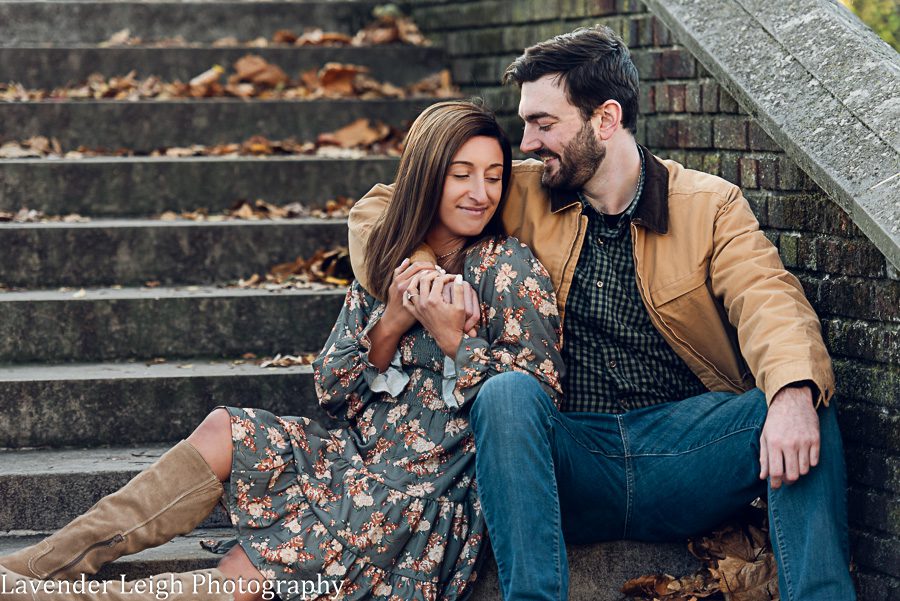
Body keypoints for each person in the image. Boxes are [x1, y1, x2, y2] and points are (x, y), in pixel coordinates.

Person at [347, 26, 855, 601]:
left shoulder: (709, 206)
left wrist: (791, 393)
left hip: (684, 453)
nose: (527, 142)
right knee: (507, 394)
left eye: (544, 123)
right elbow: (383, 207)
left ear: (606, 119)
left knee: (801, 397)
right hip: (568, 458)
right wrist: (424, 275)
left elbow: (769, 300)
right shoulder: (524, 192)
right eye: (526, 124)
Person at [0, 101, 564, 601]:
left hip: (417, 502)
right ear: (424, 178)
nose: (480, 193)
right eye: (461, 175)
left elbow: (535, 404)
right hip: (350, 461)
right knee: (226, 430)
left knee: (243, 575)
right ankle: (30, 570)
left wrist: (454, 341)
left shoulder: (509, 269)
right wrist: (391, 322)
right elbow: (333, 392)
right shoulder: (389, 261)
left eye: (494, 177)